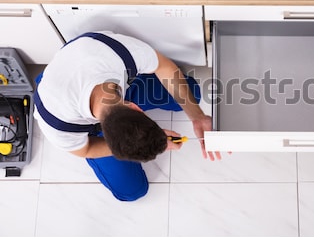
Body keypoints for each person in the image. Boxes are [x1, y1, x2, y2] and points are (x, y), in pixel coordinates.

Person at [34, 31, 219, 201]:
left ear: (136, 107)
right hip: (68, 100)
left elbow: (164, 66)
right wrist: (140, 144)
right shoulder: (57, 124)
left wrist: (197, 116)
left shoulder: (119, 54)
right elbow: (86, 150)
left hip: (91, 64)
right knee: (132, 191)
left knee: (191, 94)